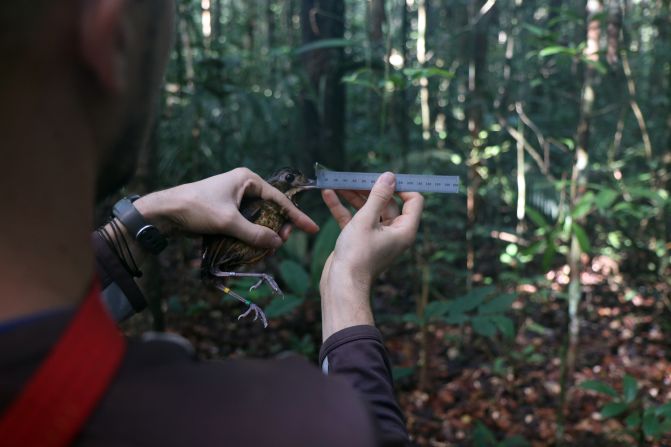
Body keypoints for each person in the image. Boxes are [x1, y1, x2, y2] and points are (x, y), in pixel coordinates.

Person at [0, 1, 424, 446]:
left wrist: (142, 223)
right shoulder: (281, 424)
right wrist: (347, 284)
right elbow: (369, 432)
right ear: (113, 35)